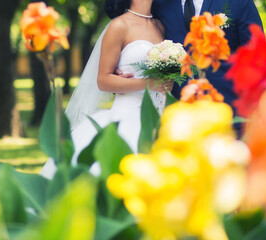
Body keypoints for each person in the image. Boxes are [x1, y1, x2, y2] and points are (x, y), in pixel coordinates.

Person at [39, 0, 173, 179]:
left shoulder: (160, 26)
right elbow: (103, 80)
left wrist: (167, 81)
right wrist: (148, 83)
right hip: (127, 115)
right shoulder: (119, 26)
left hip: (159, 115)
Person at [152, 0, 263, 104]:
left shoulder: (238, 2)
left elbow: (256, 55)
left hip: (227, 105)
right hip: (180, 109)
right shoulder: (160, 4)